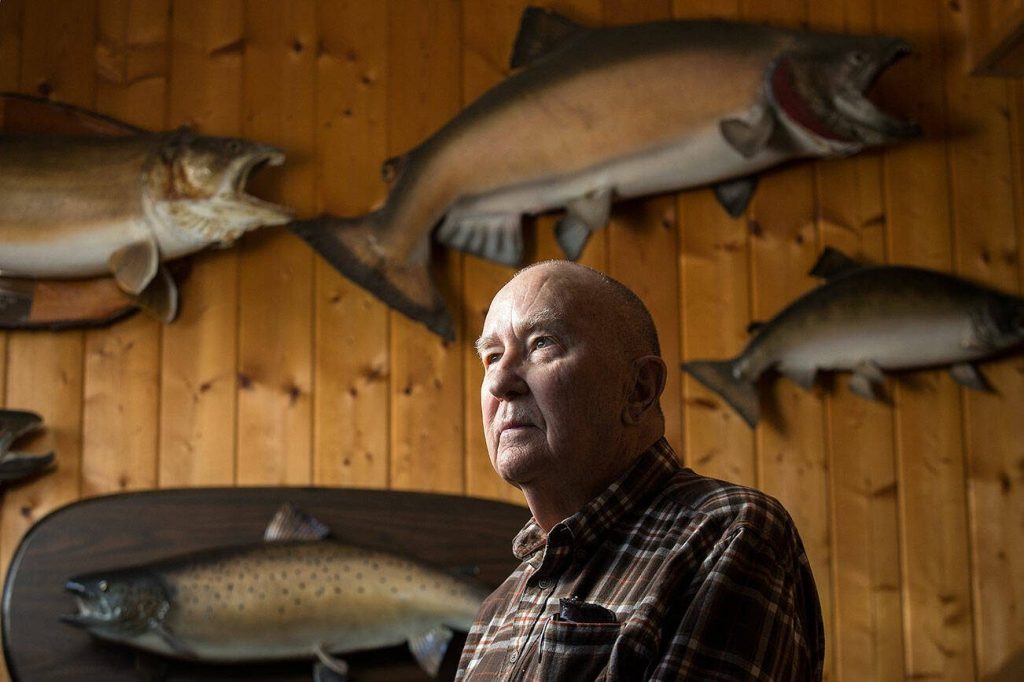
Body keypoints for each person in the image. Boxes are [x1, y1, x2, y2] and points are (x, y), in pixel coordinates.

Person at [456, 260, 824, 681]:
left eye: (542, 344)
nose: (501, 381)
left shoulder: (727, 534)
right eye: (492, 355)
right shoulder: (495, 610)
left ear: (639, 389)